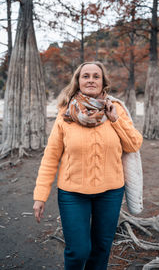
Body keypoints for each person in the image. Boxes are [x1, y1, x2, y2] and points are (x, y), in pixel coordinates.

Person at [33, 61, 143, 270]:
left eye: (95, 76)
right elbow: (50, 157)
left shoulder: (115, 108)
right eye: (86, 76)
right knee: (78, 251)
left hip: (110, 192)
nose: (91, 80)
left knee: (101, 249)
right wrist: (40, 195)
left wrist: (115, 119)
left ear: (103, 82)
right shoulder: (65, 113)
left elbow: (134, 144)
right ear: (78, 81)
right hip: (72, 193)